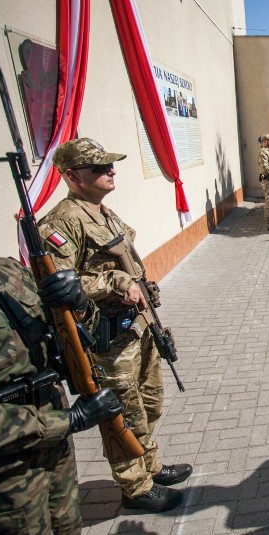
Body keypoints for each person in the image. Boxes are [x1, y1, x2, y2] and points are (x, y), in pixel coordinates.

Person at [38, 138, 192, 512]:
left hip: (135, 328)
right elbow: (60, 286)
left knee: (150, 404)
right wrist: (117, 284)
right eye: (99, 168)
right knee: (123, 413)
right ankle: (135, 488)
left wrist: (141, 285)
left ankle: (150, 465)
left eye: (110, 165)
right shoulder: (62, 222)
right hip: (106, 338)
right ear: (73, 176)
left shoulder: (102, 212)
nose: (111, 172)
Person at [0, 199, 124, 533]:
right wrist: (68, 419)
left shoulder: (3, 272)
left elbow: (82, 340)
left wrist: (79, 304)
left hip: (55, 459)